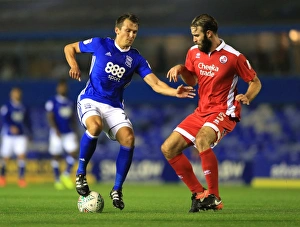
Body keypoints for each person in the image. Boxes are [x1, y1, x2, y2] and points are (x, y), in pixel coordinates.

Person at [64, 13, 195, 210]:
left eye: (135, 32)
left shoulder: (135, 59)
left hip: (114, 106)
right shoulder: (100, 44)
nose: (132, 35)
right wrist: (73, 64)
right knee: (95, 125)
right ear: (117, 30)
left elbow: (156, 84)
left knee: (129, 139)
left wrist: (174, 92)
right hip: (91, 98)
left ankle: (117, 189)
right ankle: (81, 173)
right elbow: (70, 48)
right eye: (128, 30)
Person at [161, 14, 262, 212]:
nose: (194, 39)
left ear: (209, 33)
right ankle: (200, 195)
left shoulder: (233, 56)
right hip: (202, 111)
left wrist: (248, 96)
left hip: (224, 110)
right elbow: (193, 81)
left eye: (197, 35)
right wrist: (182, 69)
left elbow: (255, 81)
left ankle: (214, 197)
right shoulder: (193, 52)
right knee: (168, 148)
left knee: (201, 140)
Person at [45, 79, 79, 190]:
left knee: (74, 152)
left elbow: (73, 118)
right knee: (56, 156)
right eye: (61, 87)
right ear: (58, 88)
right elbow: (50, 116)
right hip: (57, 132)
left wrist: (76, 132)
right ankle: (57, 180)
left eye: (64, 87)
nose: (63, 89)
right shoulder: (52, 101)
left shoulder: (70, 102)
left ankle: (65, 174)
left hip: (68, 131)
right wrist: (55, 129)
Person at [0, 87, 32, 187]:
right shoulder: (7, 106)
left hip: (20, 136)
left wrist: (30, 133)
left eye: (18, 93)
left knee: (21, 156)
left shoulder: (23, 107)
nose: (17, 95)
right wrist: (10, 126)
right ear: (11, 94)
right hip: (8, 136)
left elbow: (27, 121)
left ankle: (21, 178)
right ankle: (2, 177)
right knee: (5, 157)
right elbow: (3, 120)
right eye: (15, 93)